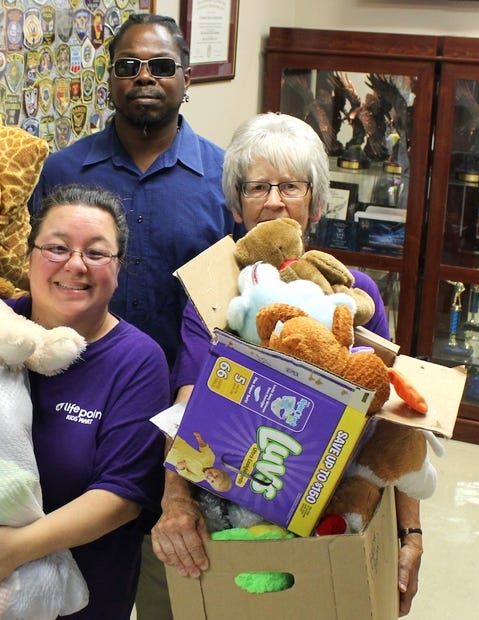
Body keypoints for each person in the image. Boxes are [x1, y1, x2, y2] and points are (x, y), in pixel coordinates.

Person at [153, 112, 425, 617]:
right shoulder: (214, 296)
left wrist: (409, 533)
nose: (273, 200)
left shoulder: (356, 294)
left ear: (316, 202)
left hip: (334, 517)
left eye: (290, 186)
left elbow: (393, 421)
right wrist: (175, 501)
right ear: (237, 204)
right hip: (233, 513)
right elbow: (186, 401)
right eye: (257, 187)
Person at [0, 184, 169, 619]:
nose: (75, 265)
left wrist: (16, 549)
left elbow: (121, 496)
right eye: (57, 247)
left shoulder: (137, 361)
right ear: (28, 257)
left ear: (119, 268)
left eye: (96, 253)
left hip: (84, 598)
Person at [28, 13, 243, 367]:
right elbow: (35, 277)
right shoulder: (61, 172)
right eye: (128, 66)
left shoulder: (226, 177)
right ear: (110, 79)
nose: (144, 76)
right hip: (73, 382)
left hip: (188, 391)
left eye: (161, 65)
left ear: (186, 80)